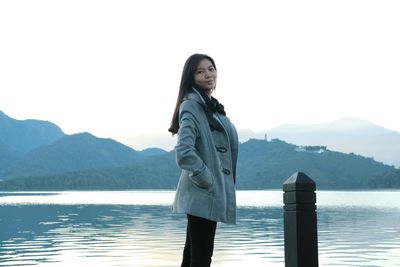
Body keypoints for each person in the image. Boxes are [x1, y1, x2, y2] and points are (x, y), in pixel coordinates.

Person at [168, 53, 239, 267]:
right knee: (201, 256)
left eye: (211, 68)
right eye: (200, 71)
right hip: (203, 192)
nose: (208, 74)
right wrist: (207, 179)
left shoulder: (209, 106)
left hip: (205, 193)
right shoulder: (192, 105)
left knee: (192, 254)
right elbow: (184, 151)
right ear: (191, 77)